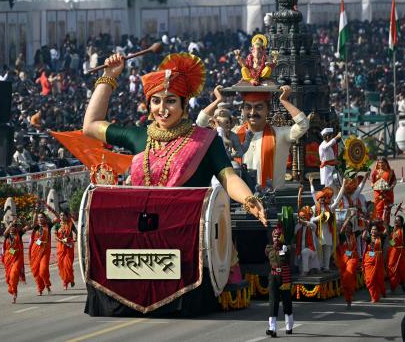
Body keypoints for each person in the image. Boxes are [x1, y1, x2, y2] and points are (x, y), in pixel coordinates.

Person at [82, 51, 267, 316]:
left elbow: (228, 176)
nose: (162, 108)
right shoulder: (139, 137)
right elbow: (90, 125)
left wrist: (249, 200)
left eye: (170, 101)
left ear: (184, 104)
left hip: (188, 245)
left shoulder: (205, 140)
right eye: (156, 101)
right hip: (142, 243)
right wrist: (108, 78)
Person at [197, 85, 312, 190]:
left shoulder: (280, 134)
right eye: (248, 107)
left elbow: (304, 125)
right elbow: (200, 123)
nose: (252, 112)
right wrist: (218, 100)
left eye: (259, 107)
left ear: (268, 110)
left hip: (272, 199)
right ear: (242, 110)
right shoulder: (233, 133)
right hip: (238, 198)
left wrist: (284, 101)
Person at [309, 175, 345, 272]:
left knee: (328, 250)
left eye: (323, 198)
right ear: (318, 199)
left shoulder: (329, 207)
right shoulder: (314, 208)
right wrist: (319, 218)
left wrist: (343, 186)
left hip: (328, 232)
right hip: (318, 232)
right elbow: (311, 220)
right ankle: (319, 267)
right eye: (320, 198)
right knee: (319, 251)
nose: (322, 199)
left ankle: (326, 267)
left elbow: (337, 200)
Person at [265, 225, 293, 337]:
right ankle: (272, 328)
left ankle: (289, 326)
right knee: (273, 302)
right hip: (273, 276)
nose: (275, 238)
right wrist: (276, 247)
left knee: (287, 302)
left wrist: (284, 248)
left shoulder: (286, 248)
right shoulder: (269, 248)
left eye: (277, 236)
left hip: (284, 277)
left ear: (281, 237)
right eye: (274, 236)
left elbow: (288, 257)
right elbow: (269, 254)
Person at [336, 211, 360, 307]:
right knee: (346, 281)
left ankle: (350, 293)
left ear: (352, 228)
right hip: (343, 261)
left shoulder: (354, 235)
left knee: (348, 275)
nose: (347, 228)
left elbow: (365, 228)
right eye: (346, 227)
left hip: (353, 259)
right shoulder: (342, 236)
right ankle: (348, 298)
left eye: (349, 226)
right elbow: (342, 229)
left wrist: (358, 217)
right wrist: (350, 217)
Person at [28, 207, 54, 295]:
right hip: (35, 250)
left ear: (45, 218)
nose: (40, 219)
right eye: (38, 217)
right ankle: (40, 289)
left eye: (41, 217)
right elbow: (35, 240)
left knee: (43, 270)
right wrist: (35, 210)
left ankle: (47, 284)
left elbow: (57, 218)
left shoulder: (48, 226)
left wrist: (51, 209)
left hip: (45, 251)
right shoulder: (36, 227)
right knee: (35, 271)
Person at [2, 218, 26, 303]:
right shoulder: (7, 236)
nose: (12, 228)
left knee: (14, 274)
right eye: (11, 226)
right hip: (8, 258)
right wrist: (11, 224)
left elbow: (26, 227)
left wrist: (18, 222)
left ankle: (15, 293)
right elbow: (5, 233)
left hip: (17, 258)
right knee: (9, 278)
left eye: (14, 227)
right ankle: (14, 291)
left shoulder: (19, 234)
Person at [387, 207, 405, 294]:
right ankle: (393, 287)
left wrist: (401, 209)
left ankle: (402, 282)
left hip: (401, 252)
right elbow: (391, 242)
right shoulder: (392, 230)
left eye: (398, 220)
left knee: (401, 270)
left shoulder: (403, 229)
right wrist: (386, 211)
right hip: (393, 252)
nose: (396, 221)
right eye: (395, 220)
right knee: (392, 269)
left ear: (401, 222)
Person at [362, 223, 386, 303]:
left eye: (375, 229)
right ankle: (374, 296)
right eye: (372, 229)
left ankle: (376, 297)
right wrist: (366, 228)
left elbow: (386, 231)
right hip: (369, 262)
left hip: (379, 261)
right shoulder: (369, 239)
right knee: (370, 280)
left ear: (378, 231)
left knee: (378, 279)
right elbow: (363, 237)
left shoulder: (380, 238)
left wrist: (383, 220)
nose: (373, 231)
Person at [294, 205, 319, 276]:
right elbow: (295, 238)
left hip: (311, 250)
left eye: (304, 217)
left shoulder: (312, 226)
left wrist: (304, 222)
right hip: (299, 250)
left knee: (304, 251)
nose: (302, 219)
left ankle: (305, 271)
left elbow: (312, 225)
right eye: (301, 217)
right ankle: (307, 269)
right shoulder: (297, 227)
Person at [55, 211, 77, 290]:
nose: (62, 216)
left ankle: (69, 280)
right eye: (60, 215)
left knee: (68, 265)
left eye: (63, 215)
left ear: (67, 216)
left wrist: (75, 238)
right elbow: (55, 236)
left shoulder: (70, 224)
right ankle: (66, 281)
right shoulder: (57, 225)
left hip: (69, 246)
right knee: (61, 265)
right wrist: (60, 240)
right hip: (60, 247)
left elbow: (76, 232)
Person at [371, 157, 397, 223]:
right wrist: (373, 186)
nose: (381, 164)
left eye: (382, 162)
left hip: (388, 195)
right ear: (378, 163)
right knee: (378, 211)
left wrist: (391, 187)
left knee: (387, 212)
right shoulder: (375, 172)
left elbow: (394, 181)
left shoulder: (390, 172)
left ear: (386, 163)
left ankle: (386, 227)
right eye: (379, 162)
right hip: (378, 195)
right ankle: (379, 227)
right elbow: (372, 182)